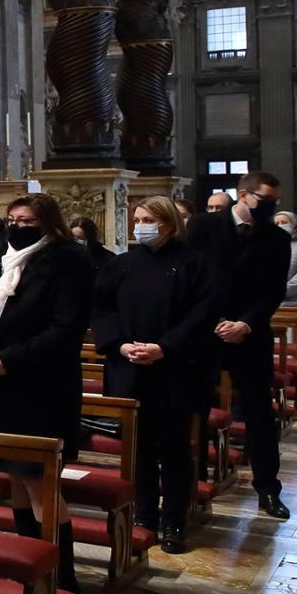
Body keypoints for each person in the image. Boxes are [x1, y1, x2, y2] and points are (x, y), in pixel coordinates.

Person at [0, 193, 93, 592]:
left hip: (39, 389)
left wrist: (8, 361)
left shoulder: (67, 262)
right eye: (12, 219)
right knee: (15, 480)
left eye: (27, 220)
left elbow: (64, 331)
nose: (16, 226)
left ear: (47, 223)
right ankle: (27, 562)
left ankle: (61, 576)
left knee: (39, 481)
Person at [93, 196, 215, 553]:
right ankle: (144, 510)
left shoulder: (194, 264)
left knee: (175, 447)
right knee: (138, 447)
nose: (140, 225)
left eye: (149, 219)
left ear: (168, 223)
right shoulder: (123, 264)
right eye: (138, 218)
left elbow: (202, 314)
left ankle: (174, 517)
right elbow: (102, 308)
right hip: (128, 366)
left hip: (175, 368)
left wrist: (165, 347)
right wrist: (119, 345)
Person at [188, 171, 291, 520]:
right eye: (265, 200)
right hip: (206, 333)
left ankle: (268, 489)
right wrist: (213, 321)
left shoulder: (276, 238)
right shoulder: (204, 228)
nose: (271, 206)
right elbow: (192, 278)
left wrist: (246, 323)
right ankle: (194, 483)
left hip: (250, 335)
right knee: (196, 408)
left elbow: (273, 289)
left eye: (275, 202)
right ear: (243, 195)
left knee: (260, 414)